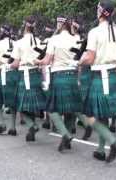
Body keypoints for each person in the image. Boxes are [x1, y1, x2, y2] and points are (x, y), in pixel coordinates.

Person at [78, 0, 116, 163]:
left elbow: (90, 59)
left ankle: (113, 142)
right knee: (103, 116)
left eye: (97, 9)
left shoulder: (94, 32)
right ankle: (100, 150)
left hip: (99, 76)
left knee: (89, 115)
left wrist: (78, 62)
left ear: (101, 12)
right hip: (112, 77)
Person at [36, 15, 83, 152]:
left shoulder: (54, 39)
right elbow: (79, 62)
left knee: (51, 109)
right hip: (73, 75)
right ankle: (66, 140)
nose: (56, 25)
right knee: (70, 110)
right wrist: (78, 78)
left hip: (59, 75)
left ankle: (66, 134)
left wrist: (37, 61)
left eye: (57, 23)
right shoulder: (77, 39)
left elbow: (47, 60)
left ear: (61, 25)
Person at [10, 16, 46, 142]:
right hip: (36, 74)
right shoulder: (39, 41)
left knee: (21, 105)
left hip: (25, 75)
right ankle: (31, 133)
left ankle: (33, 125)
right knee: (32, 105)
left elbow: (15, 63)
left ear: (25, 26)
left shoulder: (19, 42)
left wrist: (9, 65)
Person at [0, 25, 19, 135]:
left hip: (2, 73)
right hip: (14, 73)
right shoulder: (16, 43)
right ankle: (13, 127)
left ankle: (2, 124)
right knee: (13, 102)